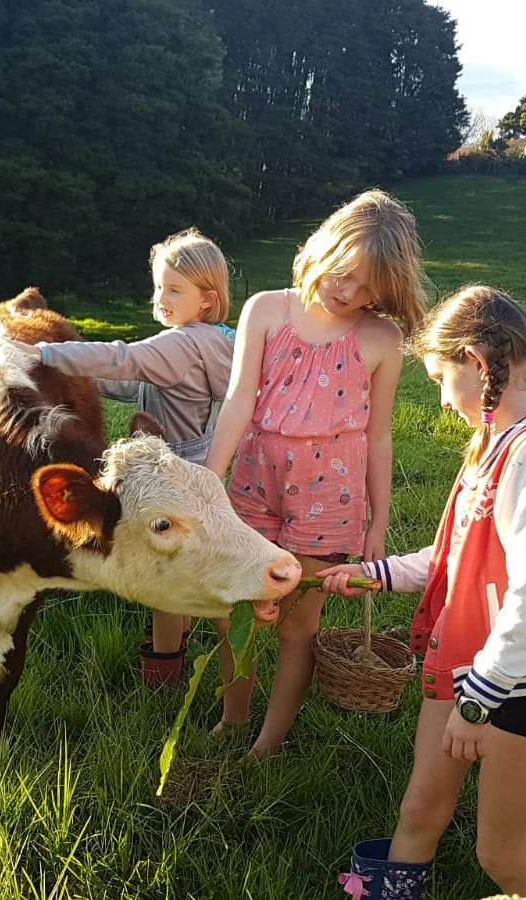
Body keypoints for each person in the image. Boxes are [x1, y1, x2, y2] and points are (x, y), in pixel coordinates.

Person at [321, 285, 526, 900]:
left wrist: (479, 704)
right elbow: (460, 557)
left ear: (477, 362)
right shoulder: (499, 444)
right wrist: (375, 574)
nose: (443, 401)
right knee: (420, 806)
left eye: (441, 378)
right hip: (470, 661)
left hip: (522, 683)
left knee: (500, 854)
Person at [204, 188, 428, 758]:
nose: (348, 293)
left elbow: (378, 435)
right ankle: (233, 721)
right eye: (344, 275)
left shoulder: (381, 339)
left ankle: (269, 742)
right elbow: (238, 403)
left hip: (330, 503)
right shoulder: (265, 309)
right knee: (243, 613)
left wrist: (378, 525)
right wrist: (208, 481)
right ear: (325, 245)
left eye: (368, 290)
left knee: (296, 627)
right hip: (254, 487)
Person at [17, 227, 235, 687]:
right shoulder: (209, 341)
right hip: (195, 463)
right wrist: (79, 377)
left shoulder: (181, 345)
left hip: (167, 473)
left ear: (207, 300)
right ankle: (184, 644)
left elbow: (121, 359)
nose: (161, 298)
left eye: (175, 289)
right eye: (158, 286)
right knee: (185, 561)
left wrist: (41, 352)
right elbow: (133, 382)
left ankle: (163, 677)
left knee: (164, 577)